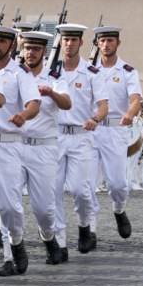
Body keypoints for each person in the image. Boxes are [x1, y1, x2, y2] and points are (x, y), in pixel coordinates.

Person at [0, 24, 40, 276]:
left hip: (8, 143)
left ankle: (14, 246)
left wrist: (24, 115)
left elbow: (34, 103)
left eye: (2, 42)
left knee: (9, 204)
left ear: (12, 46)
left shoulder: (20, 73)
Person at [44, 23, 101, 253]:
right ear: (60, 42)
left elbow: (103, 105)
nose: (69, 44)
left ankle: (85, 225)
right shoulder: (49, 70)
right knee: (54, 190)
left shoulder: (91, 73)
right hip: (54, 136)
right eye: (65, 40)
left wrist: (95, 119)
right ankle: (60, 242)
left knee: (80, 190)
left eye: (73, 40)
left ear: (80, 43)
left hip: (80, 136)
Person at [82, 26, 142, 240]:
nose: (106, 45)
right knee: (86, 184)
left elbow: (136, 99)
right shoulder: (88, 70)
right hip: (91, 130)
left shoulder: (127, 71)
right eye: (102, 41)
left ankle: (119, 209)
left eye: (110, 40)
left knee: (117, 185)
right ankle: (90, 229)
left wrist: (130, 114)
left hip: (116, 129)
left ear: (118, 43)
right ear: (97, 44)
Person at [15, 30, 68, 266]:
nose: (31, 53)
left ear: (44, 52)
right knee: (8, 203)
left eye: (36, 49)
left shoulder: (55, 76)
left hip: (44, 148)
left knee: (44, 209)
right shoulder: (14, 74)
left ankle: (48, 237)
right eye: (27, 48)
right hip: (15, 146)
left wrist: (52, 93)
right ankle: (12, 253)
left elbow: (67, 103)